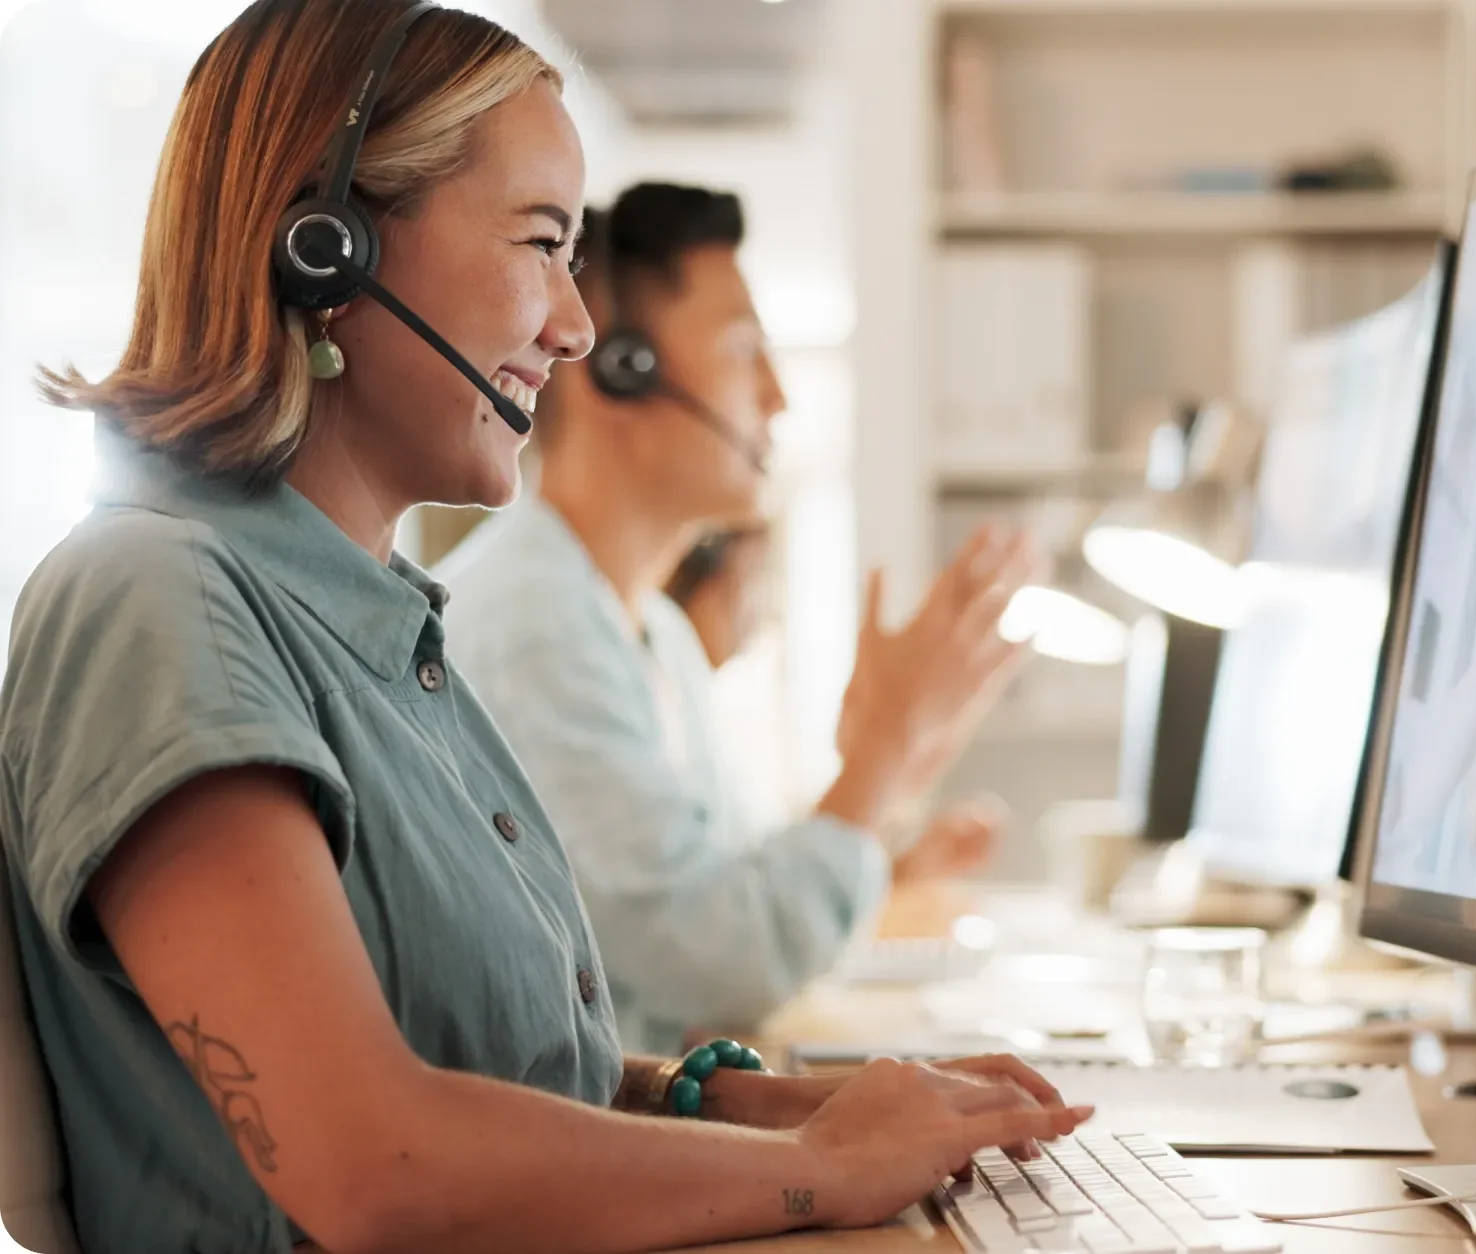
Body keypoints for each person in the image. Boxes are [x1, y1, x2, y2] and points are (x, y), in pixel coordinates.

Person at [0, 5, 1089, 1253]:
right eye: (542, 243)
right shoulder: (157, 601)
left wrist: (759, 1104)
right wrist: (814, 1170)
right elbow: (372, 1164)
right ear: (326, 249)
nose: (575, 327)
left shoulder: (368, 625)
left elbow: (488, 1063)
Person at [438, 183, 1037, 1054]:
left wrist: (890, 800)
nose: (778, 396)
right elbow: (724, 959)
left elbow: (721, 895)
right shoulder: (539, 629)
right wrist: (878, 761)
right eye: (744, 349)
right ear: (620, 370)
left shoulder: (652, 632)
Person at [665, 524, 1006, 882]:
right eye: (751, 582)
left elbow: (771, 887)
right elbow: (752, 912)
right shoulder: (664, 714)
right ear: (697, 580)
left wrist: (905, 864)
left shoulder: (700, 717)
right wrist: (885, 741)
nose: (759, 615)